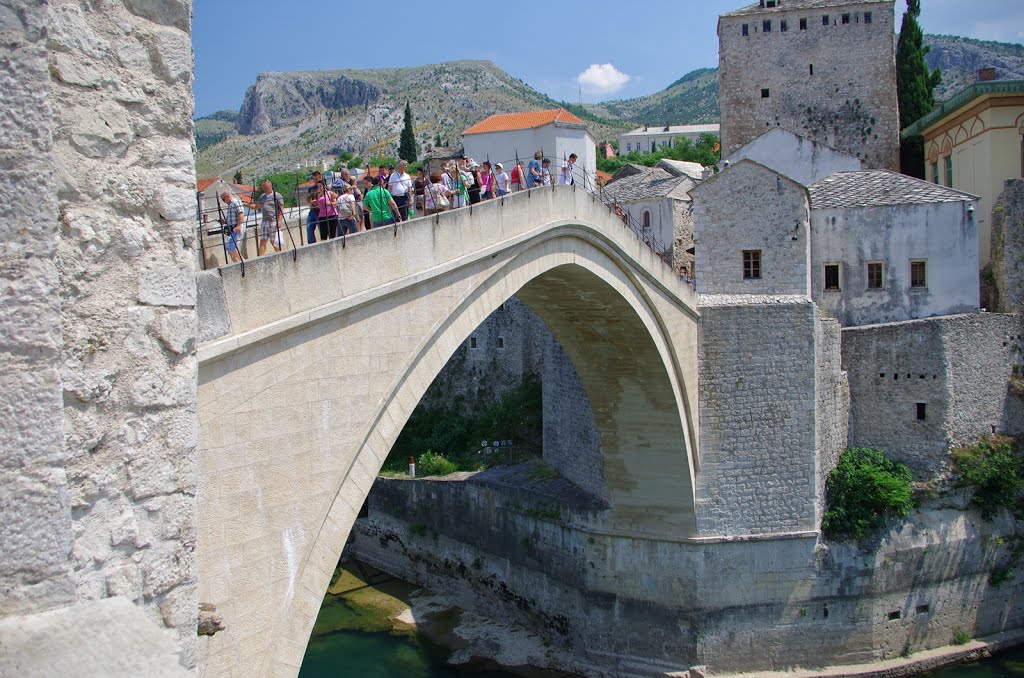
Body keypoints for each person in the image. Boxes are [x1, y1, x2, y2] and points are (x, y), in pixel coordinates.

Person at [256, 180, 284, 256]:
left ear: (270, 186)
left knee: (273, 241)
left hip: (273, 221)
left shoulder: (277, 196)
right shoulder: (262, 196)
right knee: (263, 241)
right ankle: (260, 258)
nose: (264, 189)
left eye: (265, 187)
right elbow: (257, 206)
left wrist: (279, 221)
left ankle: (281, 255)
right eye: (263, 187)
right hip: (265, 221)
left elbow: (281, 209)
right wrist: (245, 205)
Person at [220, 190, 245, 263]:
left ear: (227, 196)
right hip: (232, 229)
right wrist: (224, 222)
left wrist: (239, 225)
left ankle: (244, 262)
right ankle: (238, 264)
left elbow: (241, 213)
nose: (224, 201)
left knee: (232, 248)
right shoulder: (231, 204)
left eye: (223, 199)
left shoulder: (235, 202)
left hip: (236, 228)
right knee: (230, 249)